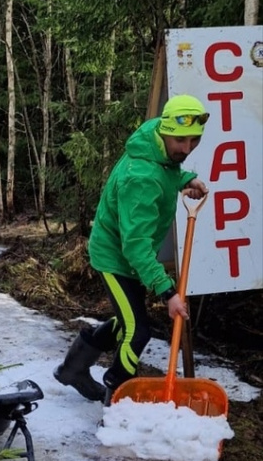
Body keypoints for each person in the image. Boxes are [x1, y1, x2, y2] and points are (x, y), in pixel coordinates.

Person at [54, 94, 210, 405]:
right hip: (116, 257)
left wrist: (185, 179)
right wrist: (168, 293)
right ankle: (116, 396)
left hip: (131, 254)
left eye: (194, 140)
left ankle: (73, 368)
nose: (186, 148)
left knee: (128, 322)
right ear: (165, 131)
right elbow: (135, 245)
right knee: (138, 332)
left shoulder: (156, 141)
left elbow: (167, 168)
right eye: (181, 140)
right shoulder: (140, 178)